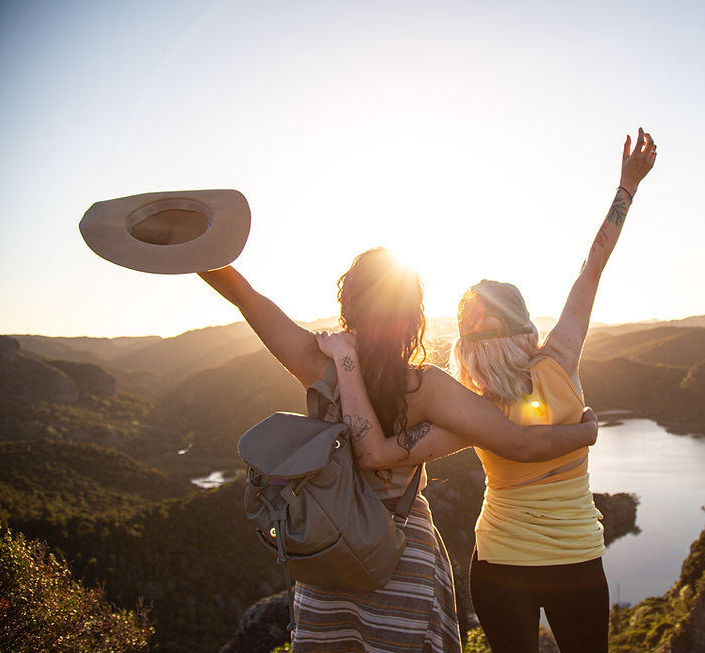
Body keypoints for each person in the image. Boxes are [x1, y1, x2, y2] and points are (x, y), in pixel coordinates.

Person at [317, 127, 657, 652]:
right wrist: (626, 186)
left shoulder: (486, 401)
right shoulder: (534, 379)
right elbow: (594, 264)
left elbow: (379, 454)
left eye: (474, 322)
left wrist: (347, 363)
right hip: (546, 563)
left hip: (525, 563)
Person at [197, 248, 598, 652]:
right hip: (403, 552)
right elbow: (517, 441)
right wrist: (584, 433)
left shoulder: (318, 362)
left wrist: (189, 246)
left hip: (328, 546)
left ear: (348, 304)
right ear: (414, 318)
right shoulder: (428, 386)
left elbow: (243, 295)